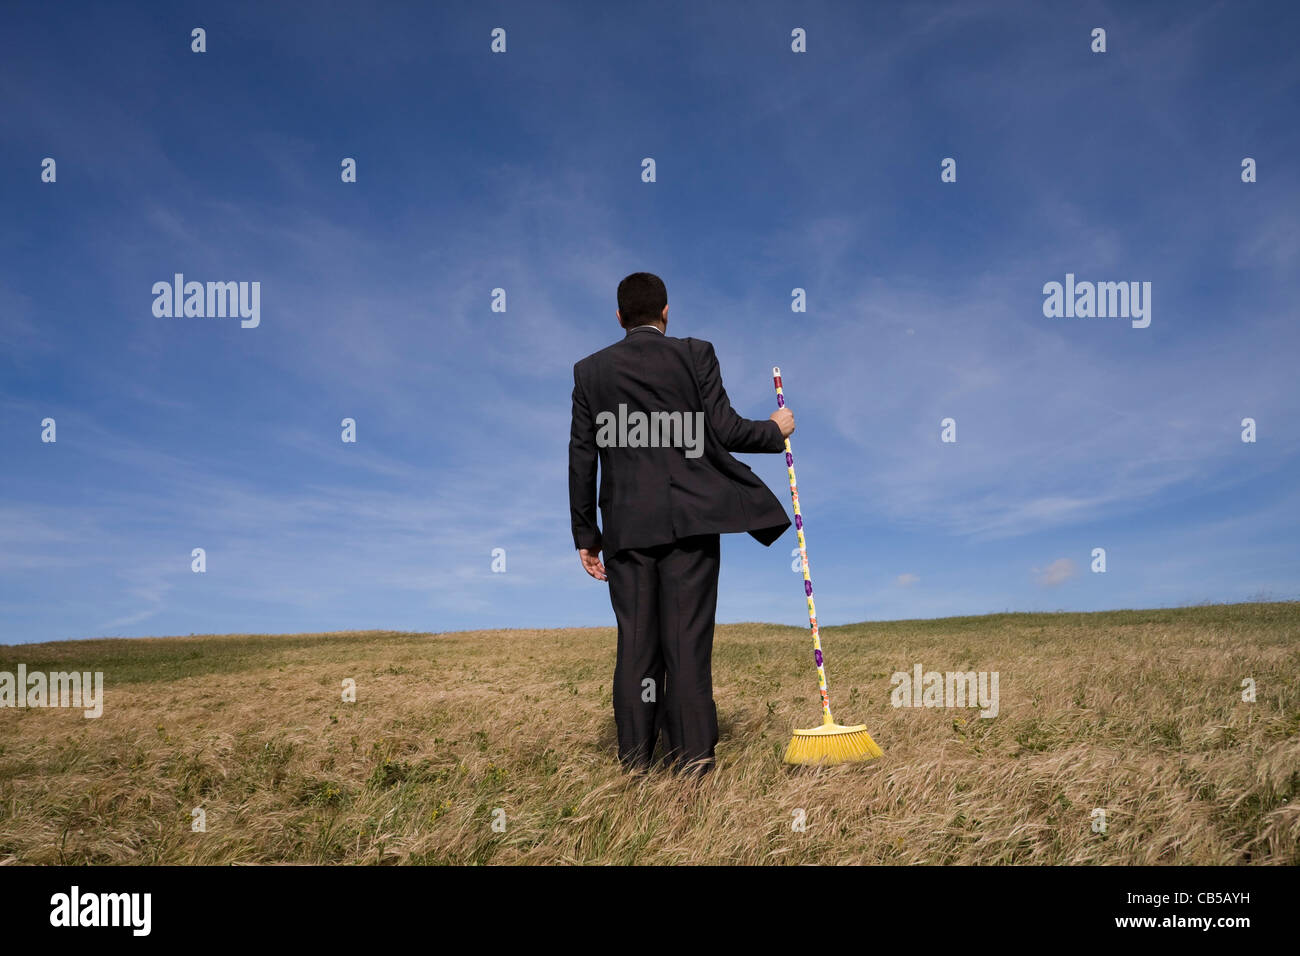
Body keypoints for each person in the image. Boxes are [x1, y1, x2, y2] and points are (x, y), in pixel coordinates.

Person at [568, 272, 795, 774]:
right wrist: (775, 431)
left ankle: (634, 765)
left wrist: (587, 535)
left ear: (620, 317)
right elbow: (726, 428)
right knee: (687, 642)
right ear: (666, 312)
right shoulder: (696, 354)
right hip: (692, 521)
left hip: (625, 529)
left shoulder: (589, 372)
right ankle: (693, 763)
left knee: (636, 646)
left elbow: (582, 456)